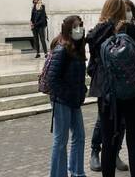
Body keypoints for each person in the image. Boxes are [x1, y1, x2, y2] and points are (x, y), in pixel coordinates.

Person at [86, 0, 135, 177]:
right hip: (133, 91)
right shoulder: (130, 29)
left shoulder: (96, 33)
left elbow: (92, 67)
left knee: (108, 142)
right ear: (122, 11)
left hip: (107, 94)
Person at [46, 15, 88, 177]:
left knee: (80, 136)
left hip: (74, 99)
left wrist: (81, 91)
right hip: (62, 100)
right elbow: (52, 79)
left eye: (81, 25)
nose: (80, 29)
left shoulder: (77, 47)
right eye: (77, 26)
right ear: (69, 29)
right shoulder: (61, 49)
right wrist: (68, 94)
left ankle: (77, 172)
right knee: (61, 141)